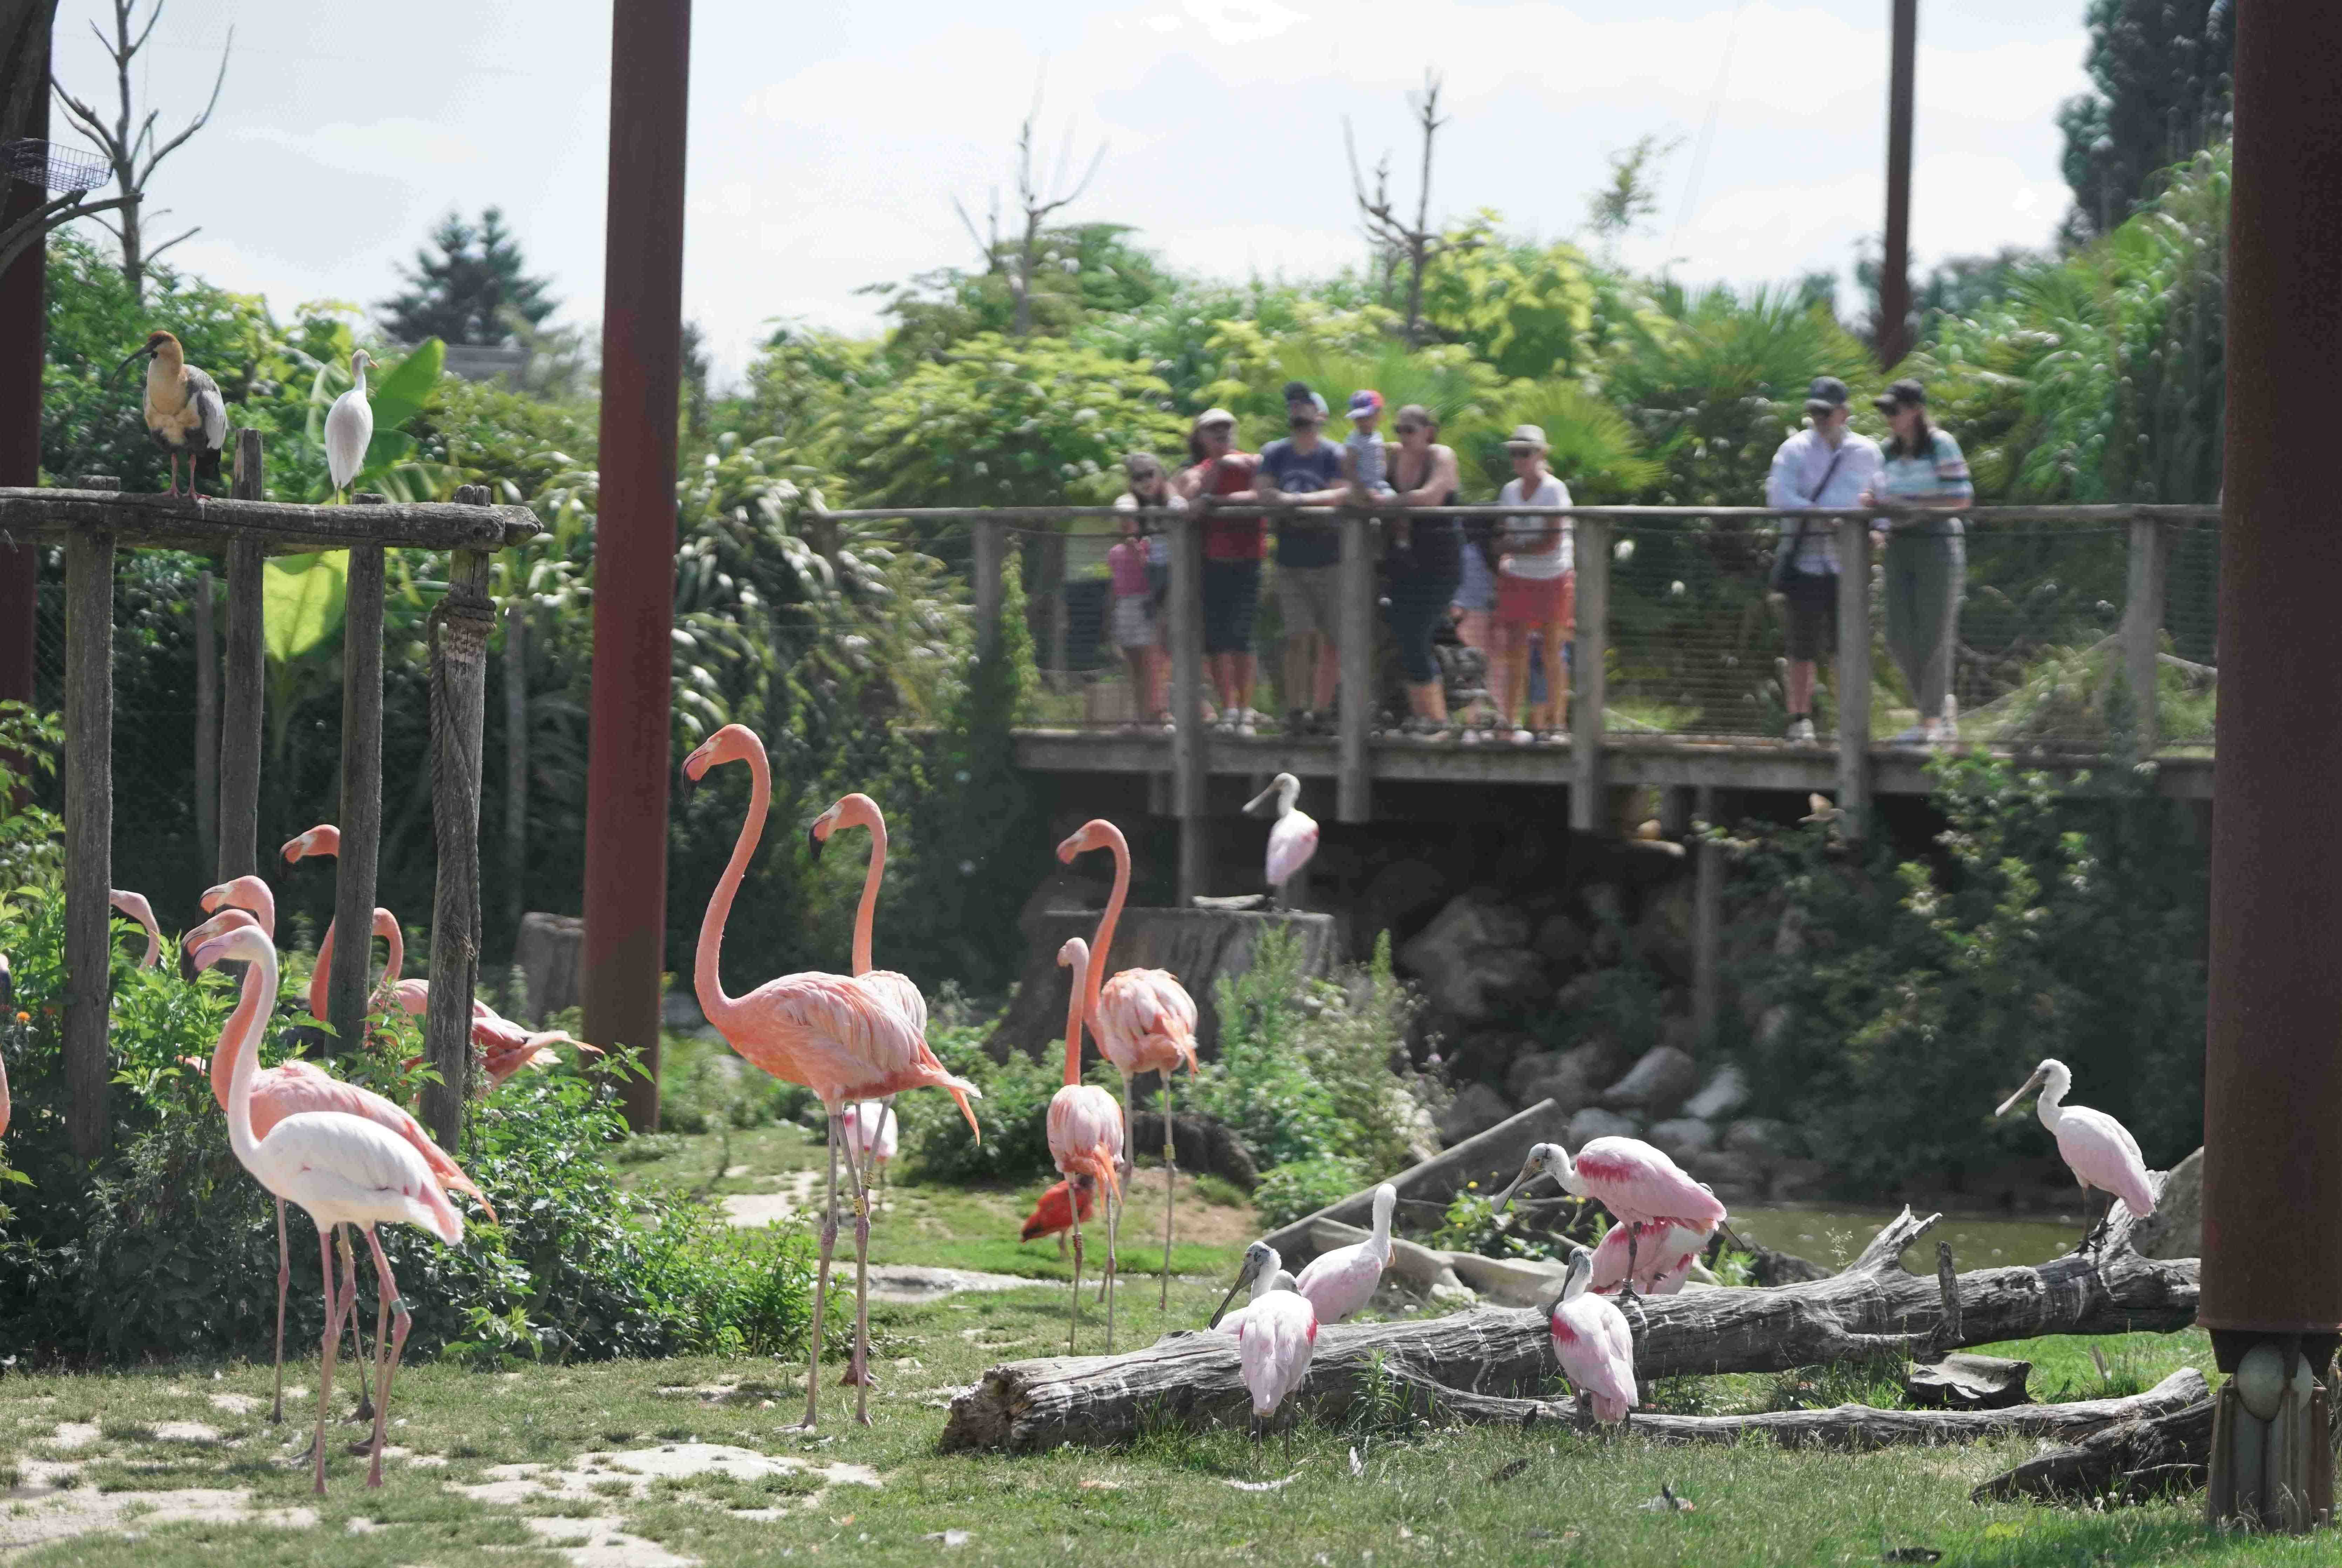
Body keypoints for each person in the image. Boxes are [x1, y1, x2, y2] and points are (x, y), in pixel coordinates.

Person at [1765, 376, 1882, 744]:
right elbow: (1778, 496)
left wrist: (1878, 529)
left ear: (1844, 413)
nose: (1818, 418)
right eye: (1813, 411)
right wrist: (1823, 515)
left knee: (1846, 647)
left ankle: (1850, 725)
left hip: (1850, 565)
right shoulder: (1793, 449)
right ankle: (1799, 721)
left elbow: (1882, 499)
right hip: (1806, 562)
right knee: (1801, 648)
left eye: (1825, 411)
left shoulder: (1867, 452)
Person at [1861, 378, 1972, 745]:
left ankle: (1931, 722)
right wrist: (1875, 515)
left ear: (1915, 411)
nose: (1888, 417)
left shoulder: (1940, 444)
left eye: (1894, 410)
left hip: (1937, 542)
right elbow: (1877, 497)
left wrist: (1912, 509)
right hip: (1897, 545)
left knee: (1934, 633)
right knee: (1896, 636)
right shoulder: (1885, 451)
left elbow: (1960, 499)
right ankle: (1937, 709)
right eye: (1884, 411)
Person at [1253, 383, 1349, 736]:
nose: (1298, 410)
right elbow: (1263, 492)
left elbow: (1342, 492)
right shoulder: (1274, 453)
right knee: (1297, 637)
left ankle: (1322, 712)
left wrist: (1297, 502)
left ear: (1319, 414)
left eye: (1305, 405)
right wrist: (1287, 500)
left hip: (1330, 557)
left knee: (1332, 640)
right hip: (1289, 559)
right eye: (1293, 405)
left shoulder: (1333, 453)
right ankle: (1295, 711)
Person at [1173, 408, 1265, 734]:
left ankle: (1245, 710)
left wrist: (1216, 500)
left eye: (1227, 427)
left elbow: (1264, 494)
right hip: (1211, 563)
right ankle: (1228, 710)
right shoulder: (1196, 470)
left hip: (1249, 560)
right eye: (1214, 429)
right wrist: (1215, 481)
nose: (1222, 434)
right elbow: (1183, 498)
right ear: (1200, 437)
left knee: (1242, 637)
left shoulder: (1253, 462)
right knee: (1217, 640)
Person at [1381, 404, 1463, 737]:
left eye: (1410, 430)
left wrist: (1385, 503)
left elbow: (1431, 497)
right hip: (1400, 560)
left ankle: (1438, 720)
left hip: (1439, 558)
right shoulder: (1389, 455)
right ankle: (1423, 719)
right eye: (1398, 430)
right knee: (1404, 637)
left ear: (1429, 430)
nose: (1403, 437)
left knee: (1418, 636)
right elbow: (1357, 479)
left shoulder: (1441, 455)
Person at [1491, 425, 1574, 744]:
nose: (1518, 459)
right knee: (1515, 652)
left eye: (1525, 452)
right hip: (1518, 577)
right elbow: (1501, 534)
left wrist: (1512, 548)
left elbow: (1550, 543)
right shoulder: (1509, 491)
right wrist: (1507, 549)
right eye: (1514, 452)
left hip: (1553, 576)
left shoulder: (1555, 490)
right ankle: (1510, 723)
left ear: (1541, 454)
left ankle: (1557, 727)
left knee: (1553, 651)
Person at [1111, 453, 1183, 728]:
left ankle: (1163, 712)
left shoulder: (1171, 498)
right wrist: (1125, 506)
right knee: (1143, 656)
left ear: (1160, 474)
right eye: (1137, 477)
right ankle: (1145, 716)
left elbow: (1179, 503)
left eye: (1150, 474)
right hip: (1146, 586)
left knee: (1163, 653)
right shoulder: (1132, 503)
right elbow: (1124, 509)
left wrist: (1175, 499)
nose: (1145, 482)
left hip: (1176, 581)